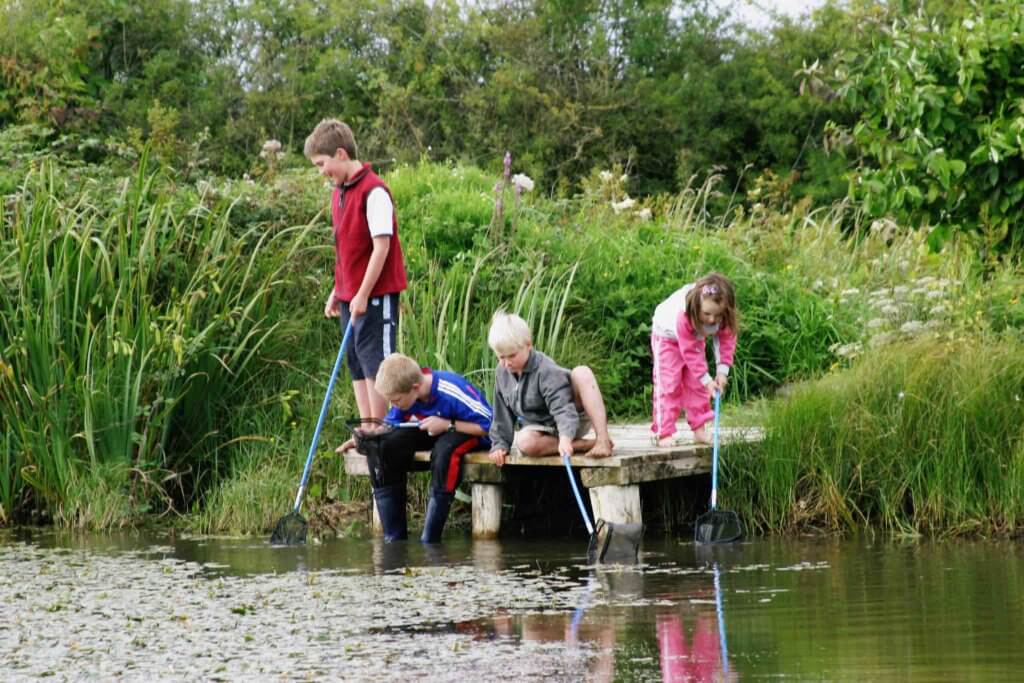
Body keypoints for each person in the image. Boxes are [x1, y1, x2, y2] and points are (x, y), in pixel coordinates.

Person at [303, 118, 407, 449]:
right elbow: (347, 251)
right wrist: (339, 290)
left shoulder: (374, 191)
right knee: (357, 361)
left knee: (378, 361)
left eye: (322, 164)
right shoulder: (339, 194)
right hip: (351, 296)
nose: (321, 171)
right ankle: (366, 429)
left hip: (375, 295)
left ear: (340, 153)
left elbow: (381, 248)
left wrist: (362, 293)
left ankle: (380, 428)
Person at [366, 353, 493, 543]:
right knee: (382, 447)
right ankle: (394, 539)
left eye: (396, 401)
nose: (394, 406)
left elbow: (491, 426)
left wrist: (448, 424)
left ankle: (430, 539)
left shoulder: (450, 391)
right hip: (433, 429)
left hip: (469, 432)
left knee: (445, 453)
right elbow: (390, 426)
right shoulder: (406, 393)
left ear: (414, 388)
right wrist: (367, 438)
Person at [486, 311, 614, 466]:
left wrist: (566, 437)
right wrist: (499, 445)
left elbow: (562, 408)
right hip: (542, 429)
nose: (507, 363)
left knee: (582, 372)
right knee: (524, 442)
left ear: (528, 345)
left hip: (571, 417)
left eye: (512, 356)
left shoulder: (545, 369)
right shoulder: (502, 372)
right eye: (501, 357)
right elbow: (501, 415)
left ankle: (602, 440)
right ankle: (584, 444)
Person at [650, 272, 738, 447]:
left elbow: (726, 341)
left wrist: (722, 372)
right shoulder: (683, 314)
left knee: (696, 385)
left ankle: (699, 430)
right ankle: (663, 431)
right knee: (670, 384)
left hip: (694, 338)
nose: (712, 319)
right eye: (707, 314)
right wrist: (707, 379)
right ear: (697, 306)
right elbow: (689, 351)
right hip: (667, 337)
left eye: (717, 316)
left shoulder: (722, 315)